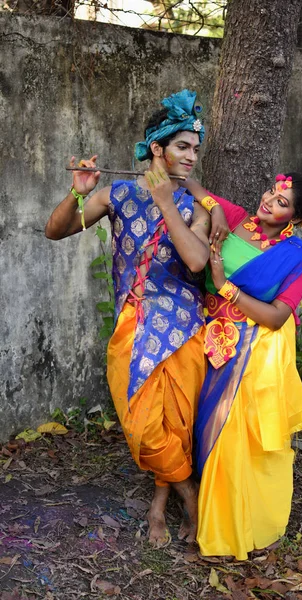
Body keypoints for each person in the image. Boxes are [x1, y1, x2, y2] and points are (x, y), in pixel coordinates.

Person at [45, 90, 218, 547]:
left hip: (182, 328)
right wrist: (76, 193)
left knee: (172, 425)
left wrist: (166, 201)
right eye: (183, 147)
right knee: (142, 423)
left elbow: (197, 262)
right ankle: (189, 494)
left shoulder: (197, 207)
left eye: (196, 149)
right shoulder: (117, 193)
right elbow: (55, 231)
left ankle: (163, 506)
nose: (192, 157)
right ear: (157, 149)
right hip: (132, 326)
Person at [184, 153, 302, 560]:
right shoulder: (235, 219)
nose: (269, 201)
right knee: (200, 424)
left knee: (233, 435)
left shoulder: (297, 258)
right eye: (272, 191)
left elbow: (276, 316)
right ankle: (197, 503)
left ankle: (231, 521)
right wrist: (213, 210)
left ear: (295, 218)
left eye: (282, 202)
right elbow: (193, 187)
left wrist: (223, 285)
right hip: (208, 338)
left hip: (252, 350)